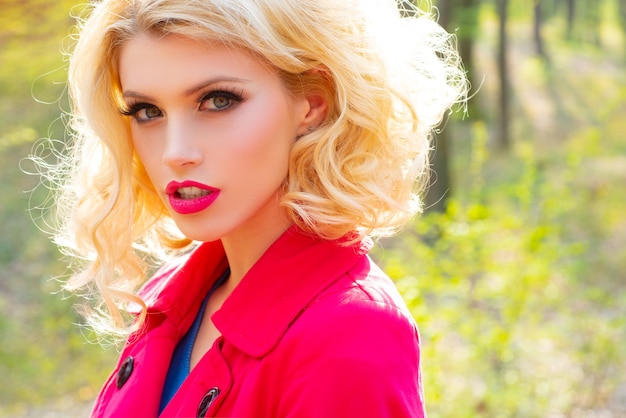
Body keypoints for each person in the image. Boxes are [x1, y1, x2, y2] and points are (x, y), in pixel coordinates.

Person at [46, 0, 466, 416]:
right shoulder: (174, 293)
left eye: (218, 101)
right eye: (148, 111)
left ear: (312, 104)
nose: (175, 153)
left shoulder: (352, 333)